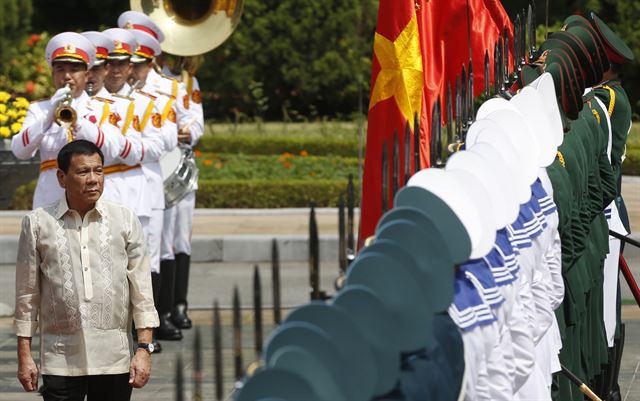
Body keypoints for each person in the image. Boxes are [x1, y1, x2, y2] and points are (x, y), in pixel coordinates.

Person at [15, 139, 159, 401]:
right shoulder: (37, 223)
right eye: (83, 172)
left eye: (99, 170)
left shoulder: (124, 219)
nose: (93, 179)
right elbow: (27, 297)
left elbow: (142, 292)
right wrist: (24, 355)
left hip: (114, 358)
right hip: (60, 358)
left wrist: (144, 349)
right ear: (61, 178)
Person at [11, 32, 128, 209]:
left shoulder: (104, 107)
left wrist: (78, 120)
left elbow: (112, 151)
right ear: (52, 74)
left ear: (87, 74)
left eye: (74, 70)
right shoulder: (38, 110)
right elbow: (19, 151)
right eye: (60, 69)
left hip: (92, 202)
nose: (67, 76)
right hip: (49, 201)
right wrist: (49, 115)